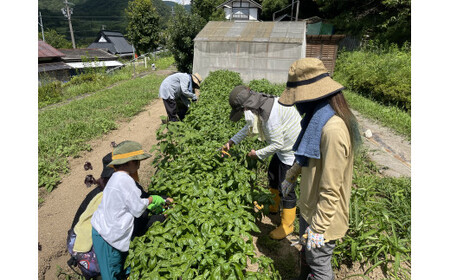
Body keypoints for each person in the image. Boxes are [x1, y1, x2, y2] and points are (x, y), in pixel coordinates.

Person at [279, 58, 361, 280]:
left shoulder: (332, 129)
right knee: (308, 255)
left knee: (319, 262)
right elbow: (305, 154)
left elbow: (331, 188)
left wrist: (318, 228)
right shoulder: (316, 120)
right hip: (309, 207)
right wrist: (291, 176)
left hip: (323, 216)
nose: (297, 104)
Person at [223, 85, 302, 240]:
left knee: (286, 187)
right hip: (283, 149)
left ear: (247, 107)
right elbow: (249, 127)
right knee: (273, 174)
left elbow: (277, 144)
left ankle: (287, 226)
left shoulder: (270, 117)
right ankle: (272, 206)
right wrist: (232, 141)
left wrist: (257, 154)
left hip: (291, 152)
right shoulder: (261, 104)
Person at [90, 141, 170, 280]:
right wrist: (152, 200)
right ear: (126, 163)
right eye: (136, 161)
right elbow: (138, 209)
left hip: (108, 229)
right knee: (111, 272)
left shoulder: (116, 177)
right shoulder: (124, 180)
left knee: (120, 265)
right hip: (107, 236)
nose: (139, 164)